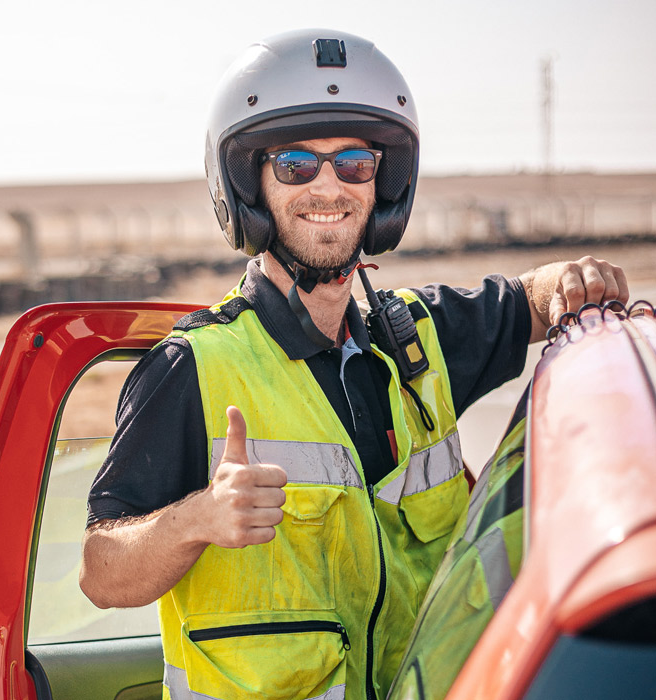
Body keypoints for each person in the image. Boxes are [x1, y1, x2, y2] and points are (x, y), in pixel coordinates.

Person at [79, 29, 629, 700]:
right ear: (247, 186)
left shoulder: (418, 339)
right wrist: (197, 519)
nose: (328, 186)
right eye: (295, 165)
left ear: (385, 183)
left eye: (354, 163)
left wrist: (572, 282)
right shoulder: (191, 367)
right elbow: (100, 573)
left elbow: (534, 299)